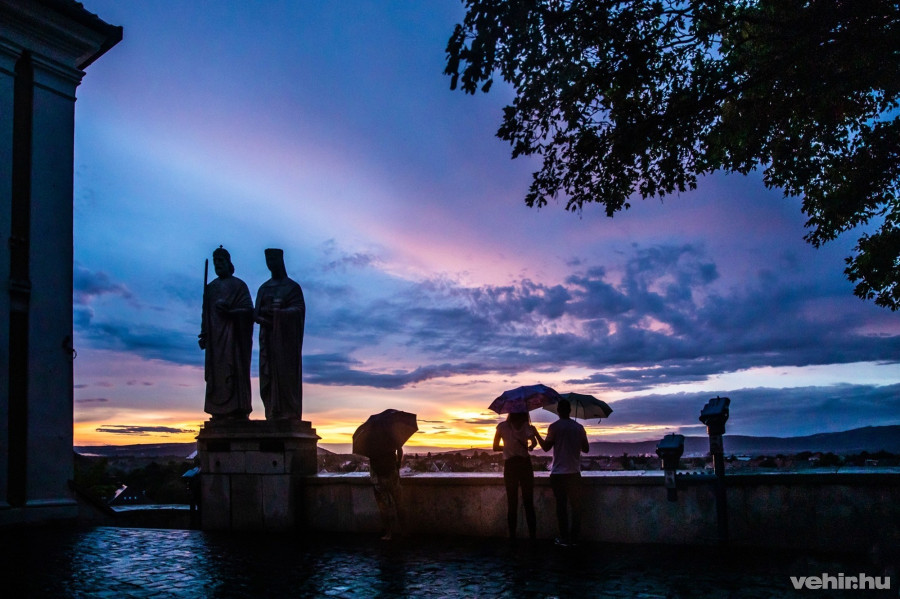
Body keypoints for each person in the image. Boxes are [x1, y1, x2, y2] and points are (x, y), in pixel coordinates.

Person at [198, 246, 254, 419]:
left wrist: (231, 312)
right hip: (215, 341)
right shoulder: (211, 288)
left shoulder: (239, 286)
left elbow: (249, 311)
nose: (217, 265)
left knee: (233, 371)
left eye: (221, 261)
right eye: (215, 262)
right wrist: (204, 333)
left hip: (233, 339)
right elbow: (205, 314)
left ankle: (236, 411)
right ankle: (218, 411)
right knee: (216, 375)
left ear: (228, 262)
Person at [254, 248, 305, 420]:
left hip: (286, 343)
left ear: (281, 260)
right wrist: (267, 314)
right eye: (268, 260)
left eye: (273, 259)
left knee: (286, 377)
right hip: (268, 339)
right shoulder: (264, 288)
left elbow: (298, 310)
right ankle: (272, 412)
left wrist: (281, 312)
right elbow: (256, 314)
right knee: (268, 376)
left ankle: (288, 413)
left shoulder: (292, 288)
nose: (271, 264)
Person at [535, 399, 589, 546]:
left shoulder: (554, 427)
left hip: (558, 474)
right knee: (576, 507)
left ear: (558, 411)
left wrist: (536, 434)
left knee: (561, 507)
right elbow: (586, 449)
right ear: (570, 411)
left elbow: (546, 447)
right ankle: (574, 538)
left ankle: (564, 538)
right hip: (574, 473)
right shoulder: (578, 428)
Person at [493, 411, 538, 540]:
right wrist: (529, 447)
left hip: (510, 466)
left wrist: (507, 447)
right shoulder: (526, 426)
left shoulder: (501, 427)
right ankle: (532, 537)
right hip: (525, 465)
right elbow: (534, 444)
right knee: (528, 502)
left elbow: (495, 447)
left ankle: (512, 537)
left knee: (512, 502)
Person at [369, 444, 403, 540]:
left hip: (378, 477)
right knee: (399, 504)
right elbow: (400, 450)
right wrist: (398, 463)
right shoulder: (390, 435)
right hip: (392, 474)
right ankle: (404, 531)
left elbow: (371, 459)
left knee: (383, 507)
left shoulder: (370, 439)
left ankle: (388, 534)